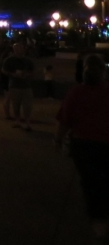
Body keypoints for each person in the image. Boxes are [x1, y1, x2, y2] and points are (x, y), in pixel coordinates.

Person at [55, 55, 109, 243]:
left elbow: (65, 120)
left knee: (91, 184)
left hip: (84, 145)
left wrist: (58, 139)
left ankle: (99, 225)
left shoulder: (76, 92)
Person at [1, 42, 35, 130]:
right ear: (14, 50)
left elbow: (33, 71)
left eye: (20, 48)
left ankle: (27, 122)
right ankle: (17, 121)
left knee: (27, 105)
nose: (19, 50)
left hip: (26, 86)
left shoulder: (28, 60)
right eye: (17, 48)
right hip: (14, 85)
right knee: (16, 105)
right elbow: (4, 70)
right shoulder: (9, 60)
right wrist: (12, 74)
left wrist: (27, 74)